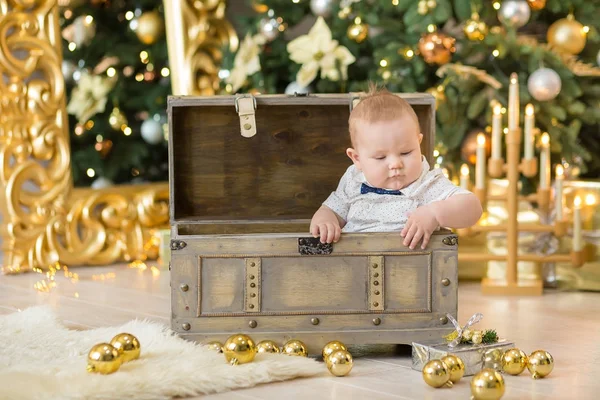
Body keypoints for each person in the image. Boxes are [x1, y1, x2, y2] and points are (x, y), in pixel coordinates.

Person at [309, 86, 483, 249]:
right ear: (357, 159)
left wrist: (434, 213)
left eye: (406, 152)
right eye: (381, 157)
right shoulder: (354, 181)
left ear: (419, 143)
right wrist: (326, 221)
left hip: (411, 268)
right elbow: (332, 209)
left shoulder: (427, 185)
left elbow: (473, 207)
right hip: (354, 263)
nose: (395, 164)